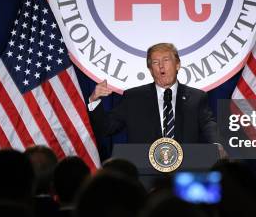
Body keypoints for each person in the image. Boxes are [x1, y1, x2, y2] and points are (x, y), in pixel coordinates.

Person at [88, 43, 222, 146]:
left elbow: (208, 124)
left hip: (186, 171)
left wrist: (217, 145)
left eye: (166, 60)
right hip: (145, 173)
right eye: (155, 62)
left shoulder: (197, 98)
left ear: (177, 65)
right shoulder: (133, 98)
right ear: (151, 69)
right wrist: (94, 99)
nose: (161, 66)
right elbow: (106, 128)